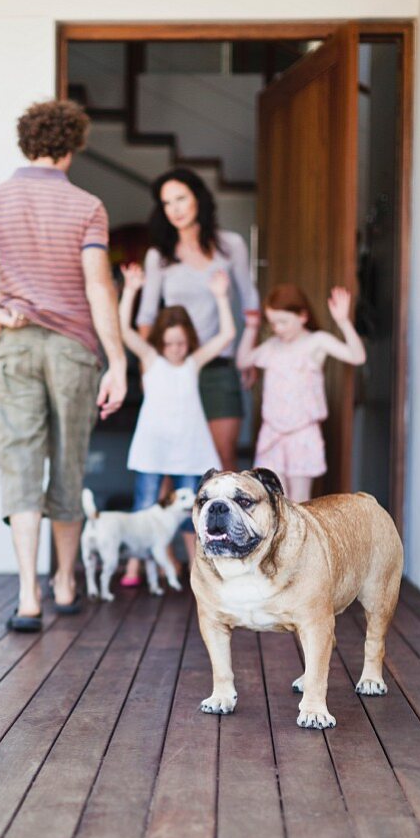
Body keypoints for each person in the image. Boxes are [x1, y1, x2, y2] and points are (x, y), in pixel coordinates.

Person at [0, 99, 127, 632]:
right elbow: (97, 286)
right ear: (71, 148)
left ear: (27, 144)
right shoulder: (87, 205)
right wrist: (117, 362)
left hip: (16, 344)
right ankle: (65, 581)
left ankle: (28, 596)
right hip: (72, 350)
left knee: (21, 464)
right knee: (68, 462)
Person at [135, 167, 261, 471]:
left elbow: (250, 301)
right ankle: (177, 520)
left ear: (198, 199)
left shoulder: (230, 246)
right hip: (175, 368)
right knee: (169, 461)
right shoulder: (159, 256)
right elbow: (147, 318)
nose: (175, 209)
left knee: (224, 457)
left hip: (219, 365)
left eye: (181, 198)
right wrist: (147, 370)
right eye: (167, 203)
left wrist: (247, 353)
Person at [119, 263, 235, 566]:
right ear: (160, 341)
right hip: (153, 445)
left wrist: (221, 297)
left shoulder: (192, 362)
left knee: (192, 508)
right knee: (144, 505)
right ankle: (134, 566)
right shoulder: (150, 358)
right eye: (169, 343)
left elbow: (227, 334)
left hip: (188, 446)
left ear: (190, 341)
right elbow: (123, 331)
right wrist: (130, 290)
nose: (175, 349)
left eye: (181, 343)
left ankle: (197, 567)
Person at [237, 284, 366, 502]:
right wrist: (251, 328)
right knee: (273, 500)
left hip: (302, 433)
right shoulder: (272, 345)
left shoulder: (316, 341)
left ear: (302, 316)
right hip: (273, 433)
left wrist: (343, 321)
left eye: (283, 322)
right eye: (273, 322)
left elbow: (357, 356)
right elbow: (243, 360)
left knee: (299, 502)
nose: (277, 328)